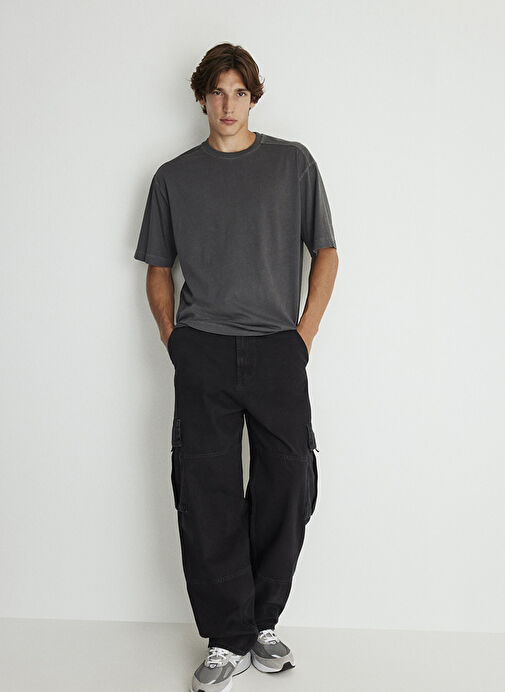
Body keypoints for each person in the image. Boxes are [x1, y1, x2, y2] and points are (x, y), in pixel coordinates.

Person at [134, 42, 339, 692]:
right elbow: (157, 268)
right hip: (204, 349)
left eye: (239, 93)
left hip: (278, 347)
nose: (228, 104)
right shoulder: (173, 178)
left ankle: (261, 621)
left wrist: (303, 335)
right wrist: (174, 338)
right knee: (206, 491)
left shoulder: (292, 164)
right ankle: (227, 636)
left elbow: (326, 251)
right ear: (202, 98)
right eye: (217, 92)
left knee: (289, 479)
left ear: (253, 97)